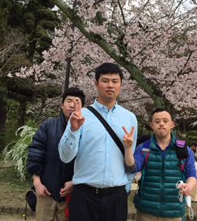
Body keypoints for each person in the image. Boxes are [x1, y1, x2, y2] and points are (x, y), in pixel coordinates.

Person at [58, 62, 138, 221]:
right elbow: (65, 157)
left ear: (121, 85)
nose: (110, 85)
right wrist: (74, 130)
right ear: (96, 83)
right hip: (84, 195)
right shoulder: (81, 116)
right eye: (105, 80)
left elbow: (130, 161)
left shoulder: (129, 118)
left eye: (115, 81)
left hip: (116, 196)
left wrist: (126, 188)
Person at [26, 87, 85, 221]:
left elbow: (88, 160)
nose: (72, 105)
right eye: (69, 101)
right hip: (46, 191)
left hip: (72, 194)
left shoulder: (87, 129)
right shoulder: (48, 125)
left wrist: (75, 182)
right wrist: (37, 182)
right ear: (61, 105)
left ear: (82, 107)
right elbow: (36, 153)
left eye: (77, 101)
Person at [132, 108, 197, 221]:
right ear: (151, 125)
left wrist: (189, 186)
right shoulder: (143, 148)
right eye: (157, 121)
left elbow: (191, 174)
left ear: (172, 124)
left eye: (165, 121)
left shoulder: (184, 150)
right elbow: (133, 168)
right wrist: (128, 149)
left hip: (174, 212)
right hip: (146, 211)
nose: (161, 124)